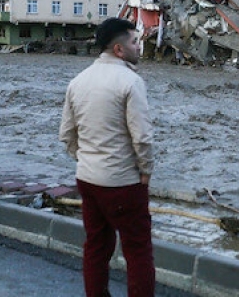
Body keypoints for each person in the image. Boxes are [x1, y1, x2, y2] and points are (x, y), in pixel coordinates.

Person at [60, 18, 155, 297]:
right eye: (134, 42)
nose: (139, 47)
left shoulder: (78, 82)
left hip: (88, 179)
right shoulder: (130, 81)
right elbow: (142, 137)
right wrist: (145, 171)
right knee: (138, 251)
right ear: (119, 49)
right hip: (123, 182)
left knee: (96, 247)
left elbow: (66, 134)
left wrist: (86, 158)